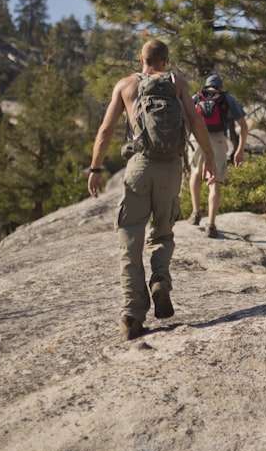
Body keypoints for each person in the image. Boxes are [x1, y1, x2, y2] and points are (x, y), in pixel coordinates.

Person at [87, 39, 217, 340]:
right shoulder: (177, 83)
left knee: (130, 237)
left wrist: (95, 168)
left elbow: (106, 129)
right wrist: (209, 157)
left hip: (138, 165)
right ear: (165, 61)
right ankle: (160, 279)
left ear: (141, 59)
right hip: (171, 167)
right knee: (162, 232)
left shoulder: (126, 86)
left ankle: (132, 313)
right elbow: (196, 120)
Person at [188, 74, 249, 239]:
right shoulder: (227, 98)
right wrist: (239, 150)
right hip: (218, 139)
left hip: (197, 138)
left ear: (206, 86)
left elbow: (187, 120)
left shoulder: (196, 97)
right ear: (220, 87)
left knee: (195, 173)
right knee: (215, 179)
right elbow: (243, 126)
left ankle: (195, 213)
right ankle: (211, 224)